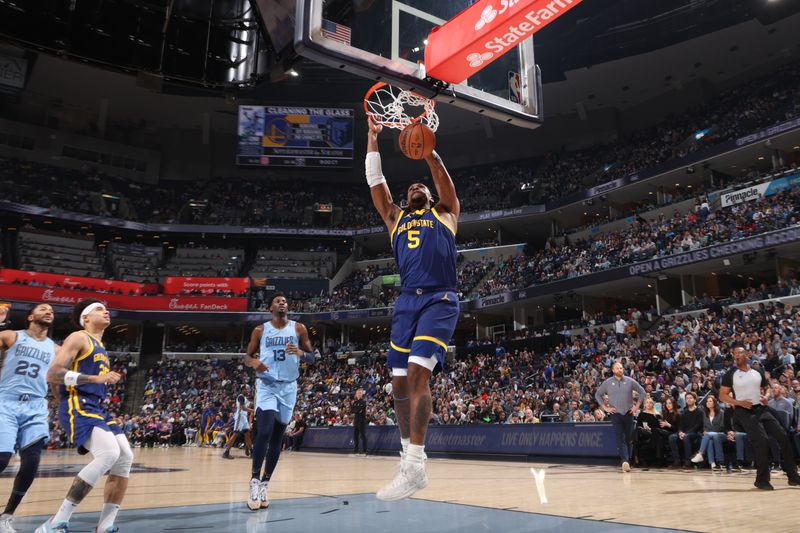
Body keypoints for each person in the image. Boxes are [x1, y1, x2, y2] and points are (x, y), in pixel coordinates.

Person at [366, 116, 460, 501]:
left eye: (422, 185)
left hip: (440, 298)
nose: (418, 186)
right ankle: (408, 459)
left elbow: (440, 178)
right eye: (412, 186)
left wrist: (428, 151)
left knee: (420, 376)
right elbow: (376, 185)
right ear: (406, 198)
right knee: (399, 384)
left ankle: (417, 463)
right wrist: (372, 138)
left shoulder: (446, 213)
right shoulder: (396, 218)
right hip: (406, 302)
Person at [36, 299, 133, 533]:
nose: (106, 311)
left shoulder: (101, 344)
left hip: (97, 406)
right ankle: (55, 522)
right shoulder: (78, 337)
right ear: (86, 318)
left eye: (106, 308)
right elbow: (54, 373)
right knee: (108, 453)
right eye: (100, 308)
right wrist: (94, 380)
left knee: (125, 457)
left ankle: (105, 525)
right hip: (79, 402)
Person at [243, 293, 315, 510]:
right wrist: (255, 362)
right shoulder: (260, 330)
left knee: (277, 436)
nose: (282, 303)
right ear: (270, 308)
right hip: (266, 385)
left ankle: (265, 483)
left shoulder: (299, 328)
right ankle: (254, 481)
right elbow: (246, 358)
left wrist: (301, 352)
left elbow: (313, 357)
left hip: (289, 387)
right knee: (264, 431)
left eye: (284, 301)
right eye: (277, 301)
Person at [0, 304, 57, 533]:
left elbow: (58, 379)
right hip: (7, 401)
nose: (49, 311)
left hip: (36, 405)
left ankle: (6, 516)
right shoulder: (11, 336)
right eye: (43, 308)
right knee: (2, 459)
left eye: (51, 310)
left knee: (32, 461)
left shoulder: (57, 349)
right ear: (30, 316)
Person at [719, 346, 800, 490]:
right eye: (734, 354)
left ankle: (793, 476)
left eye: (739, 353)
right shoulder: (730, 374)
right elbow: (722, 395)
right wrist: (739, 402)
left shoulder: (757, 371)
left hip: (761, 408)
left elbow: (767, 388)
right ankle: (761, 480)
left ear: (746, 355)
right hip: (744, 411)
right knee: (762, 441)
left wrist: (766, 397)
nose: (737, 356)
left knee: (783, 436)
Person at [595, 361, 644, 472]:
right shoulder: (607, 382)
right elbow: (598, 394)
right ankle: (625, 461)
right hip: (615, 414)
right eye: (617, 368)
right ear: (613, 370)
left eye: (621, 368)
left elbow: (642, 392)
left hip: (629, 412)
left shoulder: (630, 381)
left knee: (628, 438)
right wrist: (605, 408)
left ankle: (627, 460)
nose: (620, 370)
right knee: (620, 437)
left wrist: (636, 407)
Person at [668, 391, 702, 468]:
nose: (689, 400)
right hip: (685, 433)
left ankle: (688, 461)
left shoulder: (700, 412)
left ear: (695, 400)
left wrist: (685, 433)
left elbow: (697, 426)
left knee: (687, 436)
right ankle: (677, 460)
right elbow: (680, 425)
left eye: (690, 398)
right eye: (687, 398)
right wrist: (680, 432)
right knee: (672, 437)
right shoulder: (684, 412)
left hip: (696, 433)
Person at [691, 395, 725, 470]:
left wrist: (709, 432)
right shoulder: (704, 414)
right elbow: (704, 427)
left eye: (710, 401)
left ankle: (700, 454)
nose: (708, 403)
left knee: (709, 435)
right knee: (709, 440)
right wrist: (706, 432)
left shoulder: (721, 413)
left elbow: (721, 426)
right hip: (709, 435)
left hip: (721, 434)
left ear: (714, 403)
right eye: (707, 401)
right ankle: (713, 464)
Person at [223, 395, 253, 459]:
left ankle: (252, 452)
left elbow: (248, 405)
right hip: (240, 416)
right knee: (235, 434)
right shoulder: (241, 397)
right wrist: (253, 410)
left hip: (244, 417)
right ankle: (226, 452)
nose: (247, 390)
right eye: (245, 388)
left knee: (247, 434)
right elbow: (243, 408)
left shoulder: (246, 398)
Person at [352, 388, 368, 456]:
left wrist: (357, 410)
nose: (358, 394)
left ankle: (364, 451)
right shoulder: (355, 402)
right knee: (355, 436)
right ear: (356, 394)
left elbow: (359, 410)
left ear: (362, 394)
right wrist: (357, 410)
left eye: (360, 393)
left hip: (361, 421)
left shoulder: (363, 402)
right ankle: (356, 451)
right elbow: (353, 410)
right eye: (357, 393)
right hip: (356, 420)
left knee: (363, 436)